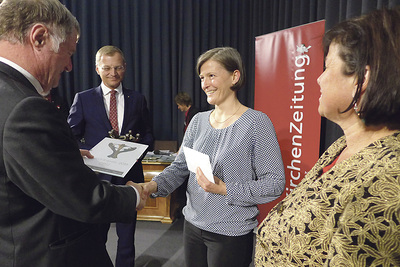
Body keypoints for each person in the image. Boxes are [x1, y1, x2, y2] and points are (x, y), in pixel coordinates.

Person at [0, 1, 146, 267]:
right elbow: (83, 200)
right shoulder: (26, 107)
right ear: (39, 37)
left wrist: (59, 154)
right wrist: (137, 195)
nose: (69, 66)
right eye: (68, 53)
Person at [255, 7, 400, 267]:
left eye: (327, 67)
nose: (319, 79)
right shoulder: (343, 144)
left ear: (362, 78)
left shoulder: (386, 179)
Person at [143, 47, 285, 267]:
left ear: (234, 76)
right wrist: (150, 187)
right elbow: (180, 167)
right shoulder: (198, 121)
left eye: (212, 75)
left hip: (231, 233)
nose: (205, 83)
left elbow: (274, 184)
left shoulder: (257, 123)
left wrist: (225, 189)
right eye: (202, 77)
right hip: (192, 226)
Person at [68, 45, 154, 267]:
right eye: (107, 68)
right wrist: (89, 154)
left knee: (127, 238)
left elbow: (148, 134)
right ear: (97, 68)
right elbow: (71, 137)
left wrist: (137, 153)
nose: (113, 73)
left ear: (124, 68)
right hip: (97, 179)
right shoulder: (84, 99)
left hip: (130, 178)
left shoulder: (137, 99)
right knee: (96, 236)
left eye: (118, 68)